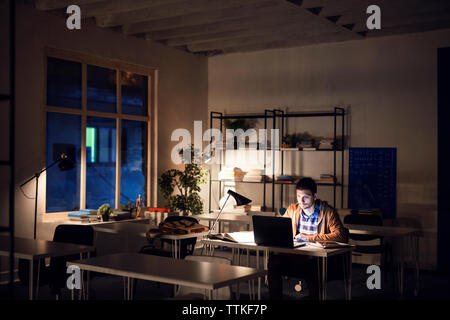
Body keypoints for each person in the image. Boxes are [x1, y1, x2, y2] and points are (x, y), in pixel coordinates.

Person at [268, 177, 348, 299]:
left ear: (315, 196)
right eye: (299, 196)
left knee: (312, 266)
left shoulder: (327, 212)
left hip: (318, 260)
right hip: (297, 255)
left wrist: (309, 238)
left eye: (306, 196)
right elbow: (281, 228)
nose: (302, 201)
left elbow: (341, 235)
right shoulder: (292, 210)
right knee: (274, 261)